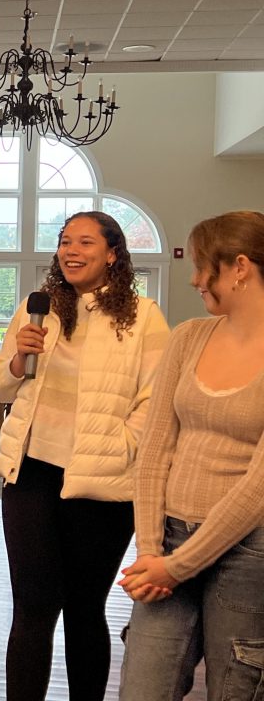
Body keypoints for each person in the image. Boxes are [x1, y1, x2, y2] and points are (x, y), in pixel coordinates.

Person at [0, 210, 171, 701]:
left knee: (85, 609)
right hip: (31, 473)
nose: (71, 250)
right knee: (32, 606)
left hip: (103, 481)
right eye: (65, 241)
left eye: (85, 242)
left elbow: (156, 399)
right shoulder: (37, 307)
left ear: (113, 253)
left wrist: (121, 446)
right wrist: (19, 358)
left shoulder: (143, 316)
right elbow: (0, 386)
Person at [118, 211, 264, 701]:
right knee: (143, 688)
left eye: (204, 266)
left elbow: (259, 488)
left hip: (249, 551)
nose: (195, 278)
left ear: (239, 267)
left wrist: (177, 568)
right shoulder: (188, 337)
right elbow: (154, 449)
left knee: (236, 689)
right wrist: (150, 550)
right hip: (168, 540)